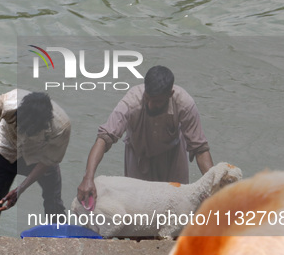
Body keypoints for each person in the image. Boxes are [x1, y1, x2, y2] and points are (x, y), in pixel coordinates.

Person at [77, 65, 214, 205]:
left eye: (157, 102)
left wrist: (213, 187)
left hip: (173, 158)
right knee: (137, 208)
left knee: (178, 207)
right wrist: (88, 178)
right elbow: (104, 138)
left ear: (170, 94)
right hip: (138, 158)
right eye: (147, 98)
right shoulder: (131, 102)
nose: (150, 105)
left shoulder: (184, 104)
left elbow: (200, 149)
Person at [0, 89, 70, 236]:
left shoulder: (61, 127)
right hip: (7, 150)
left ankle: (59, 238)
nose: (25, 134)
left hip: (39, 157)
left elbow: (48, 160)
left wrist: (20, 189)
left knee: (53, 200)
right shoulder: (7, 104)